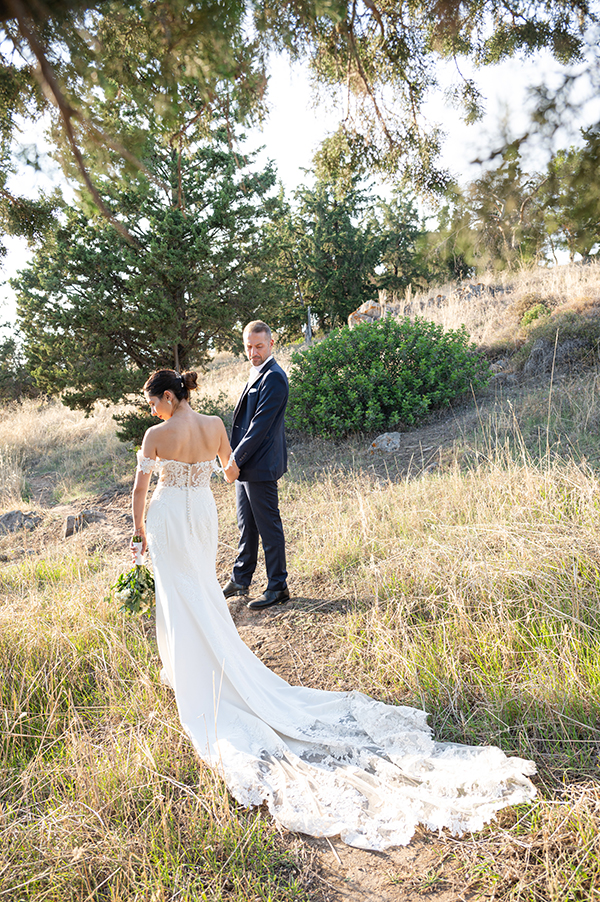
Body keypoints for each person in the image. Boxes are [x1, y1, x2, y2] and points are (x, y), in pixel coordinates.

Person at [130, 366, 537, 852]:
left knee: (180, 593)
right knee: (199, 589)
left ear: (170, 398)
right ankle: (212, 661)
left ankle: (191, 674)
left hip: (170, 516)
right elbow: (230, 471)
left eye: (153, 401)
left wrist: (139, 532)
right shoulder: (216, 425)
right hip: (202, 514)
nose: (151, 410)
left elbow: (139, 491)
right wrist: (202, 476)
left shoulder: (157, 433)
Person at [222, 320, 290, 610]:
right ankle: (241, 578)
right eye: (249, 346)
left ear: (271, 344)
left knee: (268, 526)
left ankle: (278, 587)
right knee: (246, 525)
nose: (253, 351)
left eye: (259, 346)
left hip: (259, 465)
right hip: (246, 464)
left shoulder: (274, 376)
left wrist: (233, 460)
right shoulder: (256, 373)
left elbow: (259, 427)